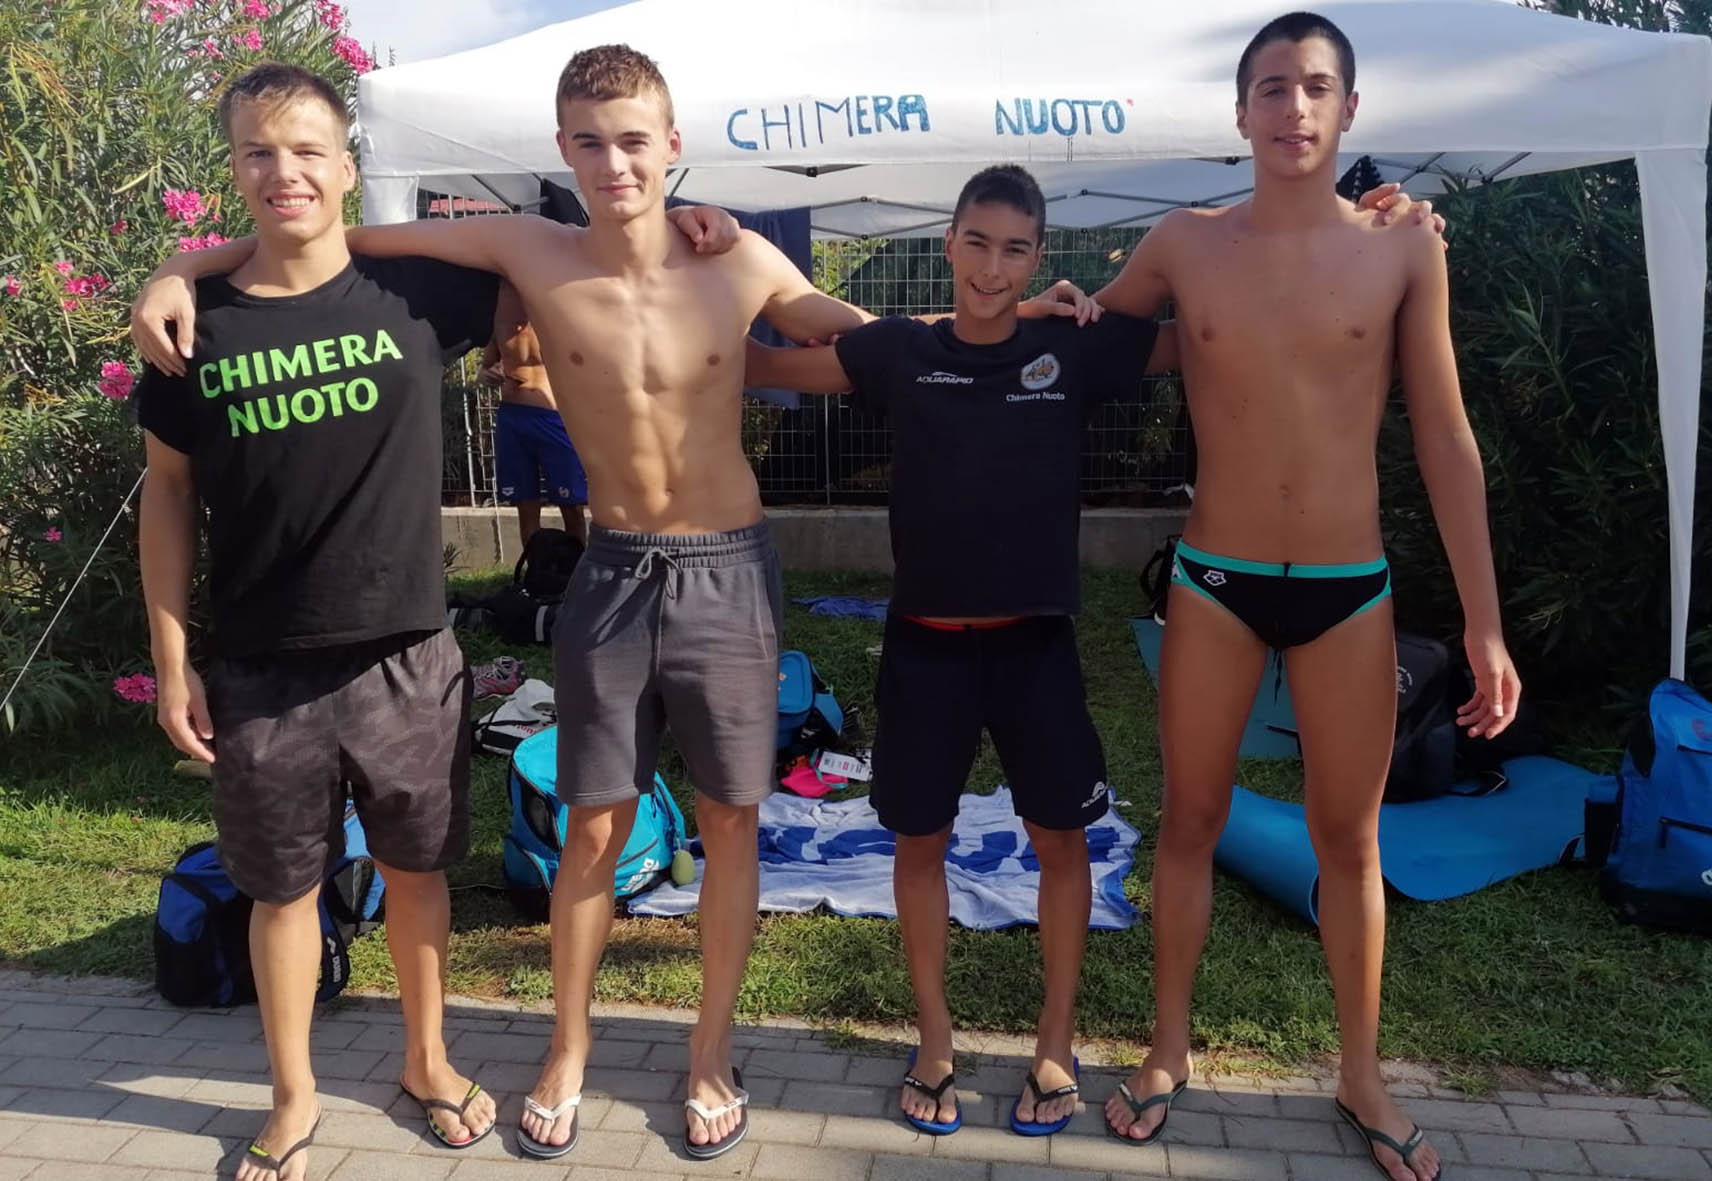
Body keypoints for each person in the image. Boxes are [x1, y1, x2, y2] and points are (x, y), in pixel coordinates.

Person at [132, 43, 1080, 1163]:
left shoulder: (739, 260)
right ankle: (567, 1049)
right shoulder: (523, 249)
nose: (614, 162)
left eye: (634, 140)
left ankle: (708, 1050)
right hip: (614, 569)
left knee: (731, 821)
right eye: (589, 141)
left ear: (671, 147)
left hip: (729, 566)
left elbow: (867, 336)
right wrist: (181, 266)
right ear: (564, 150)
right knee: (593, 823)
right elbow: (329, 233)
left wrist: (1032, 316)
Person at [129, 62, 736, 1179]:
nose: (285, 173)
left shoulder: (419, 295)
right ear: (233, 168)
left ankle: (427, 1059)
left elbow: (582, 249)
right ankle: (294, 1095)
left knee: (418, 874)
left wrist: (699, 221)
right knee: (281, 890)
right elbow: (165, 498)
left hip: (411, 648)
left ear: (348, 166)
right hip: (261, 661)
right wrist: (174, 662)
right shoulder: (192, 330)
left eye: (308, 150)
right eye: (258, 153)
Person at [745, 162, 1435, 1139]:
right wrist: (681, 280)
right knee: (919, 843)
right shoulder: (894, 349)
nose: (991, 265)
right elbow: (764, 365)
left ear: (1040, 256)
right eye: (975, 242)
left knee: (1060, 842)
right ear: (947, 244)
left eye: (1014, 248)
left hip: (1035, 648)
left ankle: (1055, 1043)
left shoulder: (1068, 350)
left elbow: (1211, 334)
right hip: (923, 651)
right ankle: (934, 1040)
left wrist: (1353, 256)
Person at [1093, 14, 1520, 1181]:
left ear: (1346, 113)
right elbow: (1098, 345)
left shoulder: (1400, 249)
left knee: (1349, 835)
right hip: (1217, 581)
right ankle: (1167, 1048)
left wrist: (1481, 622)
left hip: (1347, 586)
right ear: (1238, 114)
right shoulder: (1181, 242)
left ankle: (1361, 1070)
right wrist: (1058, 310)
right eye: (1270, 87)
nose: (1291, 108)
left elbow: (1442, 434)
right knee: (1187, 818)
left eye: (1314, 88)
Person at [479, 282, 589, 547]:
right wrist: (489, 374)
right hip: (513, 417)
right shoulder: (499, 314)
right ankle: (534, 577)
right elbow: (483, 370)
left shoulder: (558, 312)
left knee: (571, 504)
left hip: (553, 417)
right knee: (525, 505)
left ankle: (576, 578)